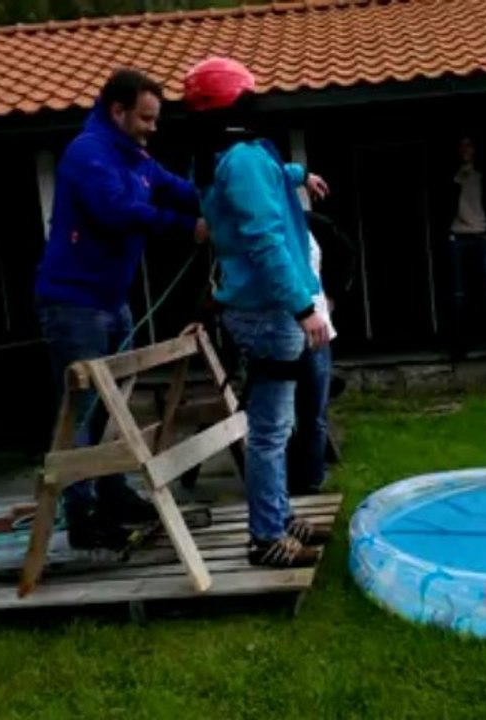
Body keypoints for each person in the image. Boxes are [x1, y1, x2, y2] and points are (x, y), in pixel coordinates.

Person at [33, 67, 209, 551]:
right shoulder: (89, 154)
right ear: (118, 111)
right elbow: (115, 212)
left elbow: (177, 187)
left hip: (113, 302)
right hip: (74, 305)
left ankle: (114, 495)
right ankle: (83, 515)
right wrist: (186, 228)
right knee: (81, 412)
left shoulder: (136, 157)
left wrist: (221, 197)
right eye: (147, 117)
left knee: (115, 408)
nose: (155, 127)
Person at [182, 56, 333, 568]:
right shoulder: (242, 159)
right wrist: (304, 307)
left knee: (278, 423)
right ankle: (265, 537)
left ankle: (278, 513)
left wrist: (301, 175)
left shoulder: (226, 156)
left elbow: (270, 174)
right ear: (236, 103)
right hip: (270, 311)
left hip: (259, 310)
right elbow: (266, 240)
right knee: (270, 430)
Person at [286, 230, 336, 497]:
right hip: (283, 328)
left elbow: (343, 249)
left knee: (314, 411)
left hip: (316, 327)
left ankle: (311, 481)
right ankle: (286, 483)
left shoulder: (307, 225)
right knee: (282, 414)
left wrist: (334, 294)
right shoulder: (265, 222)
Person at [447, 134, 486, 359]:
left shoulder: (483, 176)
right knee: (459, 294)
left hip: (482, 236)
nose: (465, 150)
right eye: (461, 146)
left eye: (469, 146)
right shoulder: (453, 177)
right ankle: (460, 346)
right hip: (458, 237)